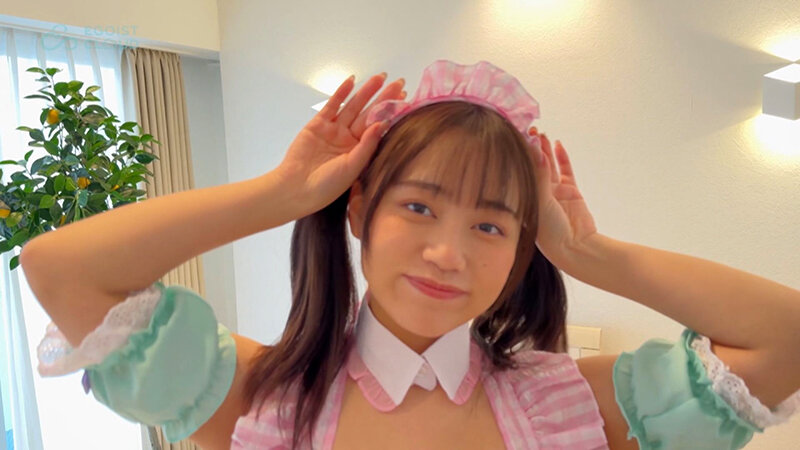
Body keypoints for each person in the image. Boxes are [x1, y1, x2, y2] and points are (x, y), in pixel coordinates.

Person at [24, 60, 799, 450]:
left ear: (523, 247)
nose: (448, 253)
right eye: (419, 207)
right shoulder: (261, 396)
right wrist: (282, 194)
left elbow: (786, 338)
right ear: (360, 206)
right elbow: (62, 268)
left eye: (491, 226)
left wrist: (590, 252)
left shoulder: (573, 405)